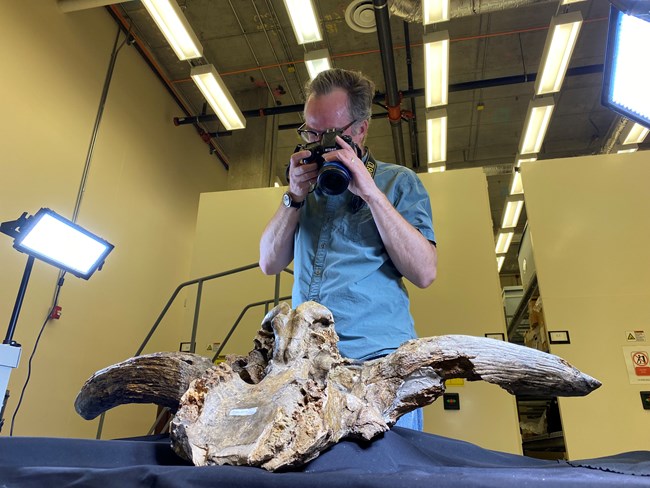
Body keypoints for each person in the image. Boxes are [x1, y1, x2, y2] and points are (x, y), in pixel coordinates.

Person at [259, 68, 437, 430]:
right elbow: (268, 263)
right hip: (304, 365)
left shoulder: (398, 182)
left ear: (360, 129)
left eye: (330, 135)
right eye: (310, 132)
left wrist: (371, 194)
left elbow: (425, 272)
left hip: (380, 366)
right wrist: (293, 196)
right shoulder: (303, 187)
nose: (319, 144)